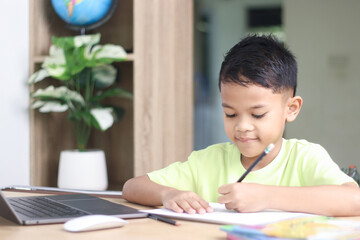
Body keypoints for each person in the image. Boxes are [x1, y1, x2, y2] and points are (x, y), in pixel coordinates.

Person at [122, 34, 360, 217]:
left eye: (257, 115)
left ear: (291, 108)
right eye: (231, 114)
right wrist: (168, 194)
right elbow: (132, 187)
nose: (242, 126)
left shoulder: (305, 158)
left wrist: (266, 196)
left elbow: (354, 200)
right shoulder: (208, 161)